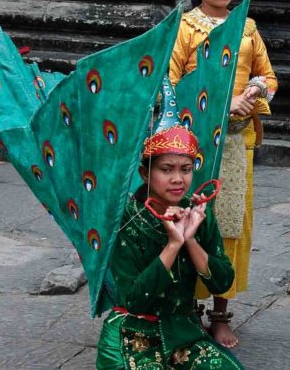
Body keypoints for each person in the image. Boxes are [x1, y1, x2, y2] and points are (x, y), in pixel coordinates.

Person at [169, 0, 277, 349]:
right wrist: (217, 103)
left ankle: (220, 311)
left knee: (230, 226)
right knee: (193, 220)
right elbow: (171, 84)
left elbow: (269, 77)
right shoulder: (186, 28)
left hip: (235, 145)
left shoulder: (247, 28)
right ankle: (186, 307)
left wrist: (254, 92)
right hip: (193, 147)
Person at [96, 82, 243, 369]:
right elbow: (135, 300)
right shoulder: (127, 218)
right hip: (132, 333)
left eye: (186, 170)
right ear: (144, 173)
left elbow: (223, 281)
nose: (178, 179)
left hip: (182, 332)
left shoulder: (199, 213)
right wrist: (173, 244)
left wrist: (190, 238)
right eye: (166, 170)